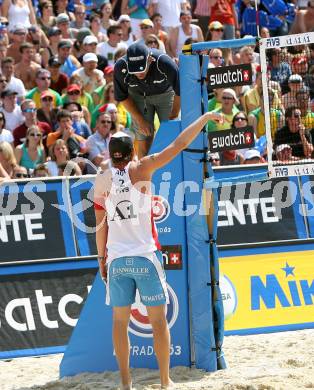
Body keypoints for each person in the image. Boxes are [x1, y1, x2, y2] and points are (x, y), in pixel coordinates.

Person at [93, 110, 223, 390]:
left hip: (117, 259)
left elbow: (100, 226)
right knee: (158, 323)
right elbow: (179, 144)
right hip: (145, 257)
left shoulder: (101, 181)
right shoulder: (143, 168)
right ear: (131, 152)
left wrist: (101, 260)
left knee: (119, 322)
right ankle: (165, 381)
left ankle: (126, 383)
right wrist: (206, 117)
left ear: (110, 153)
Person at [114, 42, 180, 158]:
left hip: (165, 94)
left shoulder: (164, 62)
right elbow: (122, 97)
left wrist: (173, 114)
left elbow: (180, 91)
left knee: (171, 132)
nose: (139, 73)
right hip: (138, 95)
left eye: (141, 68)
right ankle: (144, 172)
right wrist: (140, 120)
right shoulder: (121, 67)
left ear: (149, 59)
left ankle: (172, 169)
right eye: (135, 70)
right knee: (144, 136)